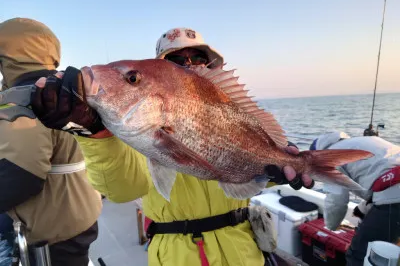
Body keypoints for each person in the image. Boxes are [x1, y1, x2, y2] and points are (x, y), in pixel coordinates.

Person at [30, 27, 315, 266]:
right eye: (177, 60)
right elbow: (124, 190)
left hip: (243, 249)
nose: (190, 64)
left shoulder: (232, 112)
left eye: (199, 58)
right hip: (175, 253)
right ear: (163, 72)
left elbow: (249, 171)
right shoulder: (126, 131)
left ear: (212, 66)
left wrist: (279, 164)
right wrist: (95, 132)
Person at [0, 17, 102, 266]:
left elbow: (21, 176)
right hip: (76, 222)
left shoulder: (24, 97)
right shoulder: (63, 90)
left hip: (49, 240)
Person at [309, 131, 400, 266]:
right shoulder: (363, 141)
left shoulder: (329, 158)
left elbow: (336, 201)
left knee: (358, 254)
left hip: (394, 199)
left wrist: (331, 225)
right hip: (392, 191)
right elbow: (379, 177)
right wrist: (361, 210)